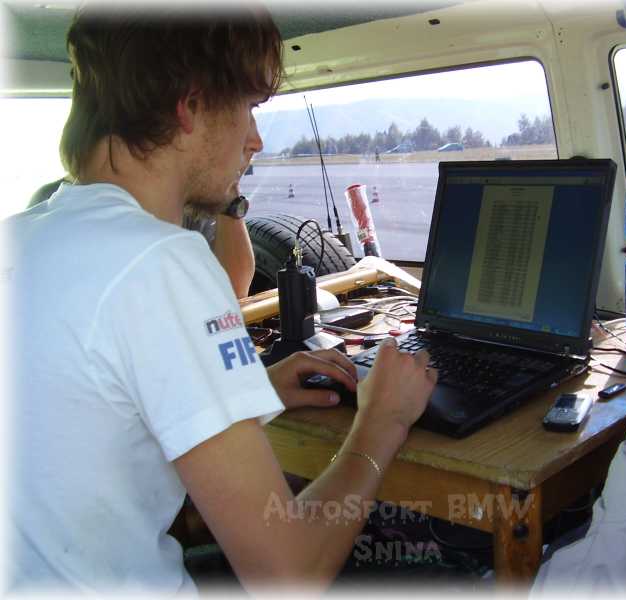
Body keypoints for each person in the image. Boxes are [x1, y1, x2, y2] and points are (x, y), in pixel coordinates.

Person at [4, 3, 436, 594]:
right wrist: (383, 419)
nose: (255, 139)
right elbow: (287, 572)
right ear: (191, 105)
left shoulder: (23, 236)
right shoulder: (162, 261)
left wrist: (250, 389)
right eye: (248, 108)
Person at [29, 178, 256, 298]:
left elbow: (233, 290)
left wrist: (229, 193)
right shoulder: (53, 204)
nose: (255, 142)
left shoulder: (188, 207)